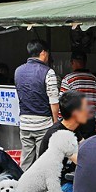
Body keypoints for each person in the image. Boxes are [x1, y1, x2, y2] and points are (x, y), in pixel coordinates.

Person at [14, 40, 60, 168]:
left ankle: (23, 186)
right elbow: (54, 101)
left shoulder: (18, 71)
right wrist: (55, 122)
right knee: (43, 162)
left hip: (24, 123)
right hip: (43, 124)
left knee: (26, 161)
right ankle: (41, 188)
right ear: (43, 53)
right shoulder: (48, 72)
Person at [39, 90, 89, 191]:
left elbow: (86, 148)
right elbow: (83, 161)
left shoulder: (72, 128)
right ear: (75, 114)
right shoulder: (58, 135)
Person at [60, 52, 96, 139]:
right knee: (87, 147)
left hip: (73, 121)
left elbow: (62, 102)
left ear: (71, 62)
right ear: (85, 62)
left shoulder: (68, 79)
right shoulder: (94, 80)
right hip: (89, 121)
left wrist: (60, 120)